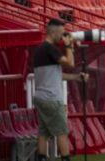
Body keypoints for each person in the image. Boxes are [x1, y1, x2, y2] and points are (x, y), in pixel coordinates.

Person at [33, 20, 88, 161]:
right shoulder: (50, 49)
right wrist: (69, 46)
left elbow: (56, 75)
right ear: (53, 32)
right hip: (51, 98)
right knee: (62, 131)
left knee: (43, 132)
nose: (63, 36)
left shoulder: (40, 50)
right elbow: (70, 63)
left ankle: (41, 158)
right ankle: (65, 158)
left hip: (40, 97)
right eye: (62, 32)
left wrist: (76, 77)